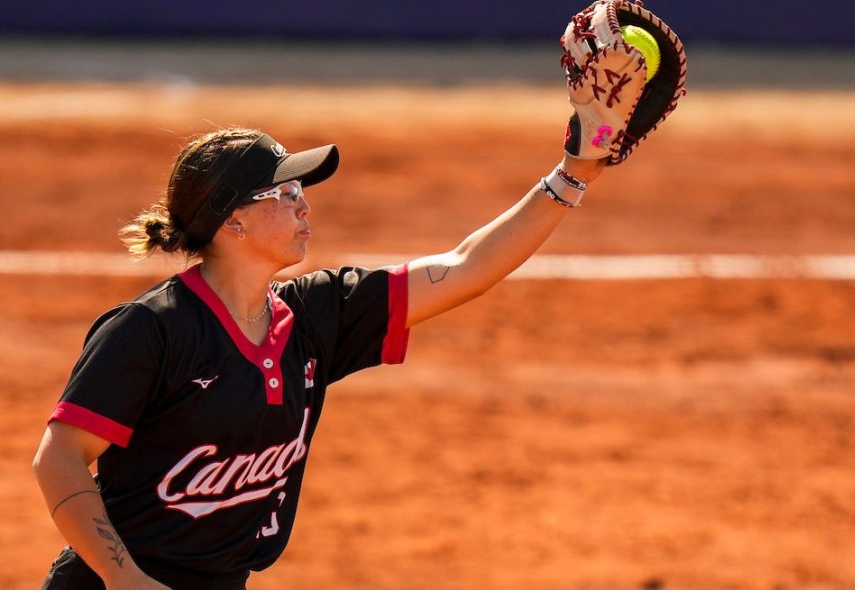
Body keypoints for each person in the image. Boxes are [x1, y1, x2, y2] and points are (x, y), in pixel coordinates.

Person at [32, 126, 605, 589]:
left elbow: (465, 269)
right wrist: (123, 578)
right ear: (232, 220)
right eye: (284, 194)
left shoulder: (315, 317)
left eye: (300, 191)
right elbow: (58, 457)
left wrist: (573, 174)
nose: (304, 206)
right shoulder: (152, 329)